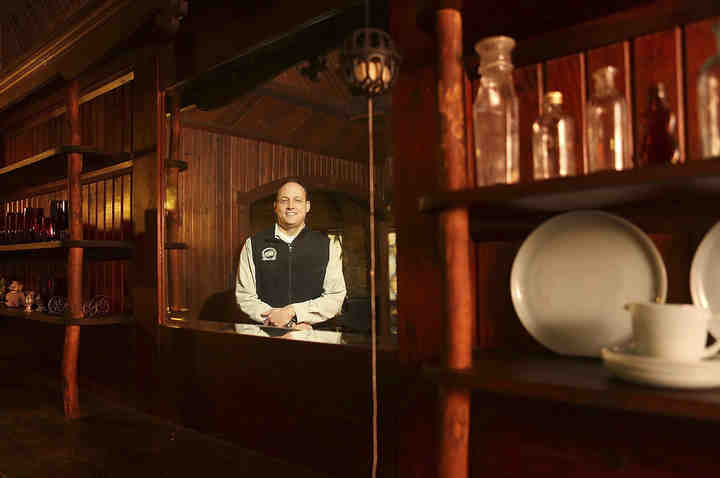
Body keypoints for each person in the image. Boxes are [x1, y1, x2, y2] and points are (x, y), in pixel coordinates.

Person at [235, 180, 346, 329]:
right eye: (284, 200)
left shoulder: (327, 246)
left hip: (314, 338)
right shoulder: (253, 244)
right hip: (267, 337)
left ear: (307, 206)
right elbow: (244, 296)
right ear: (275, 206)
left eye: (297, 200)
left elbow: (335, 296)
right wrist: (279, 320)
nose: (290, 206)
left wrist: (295, 312)